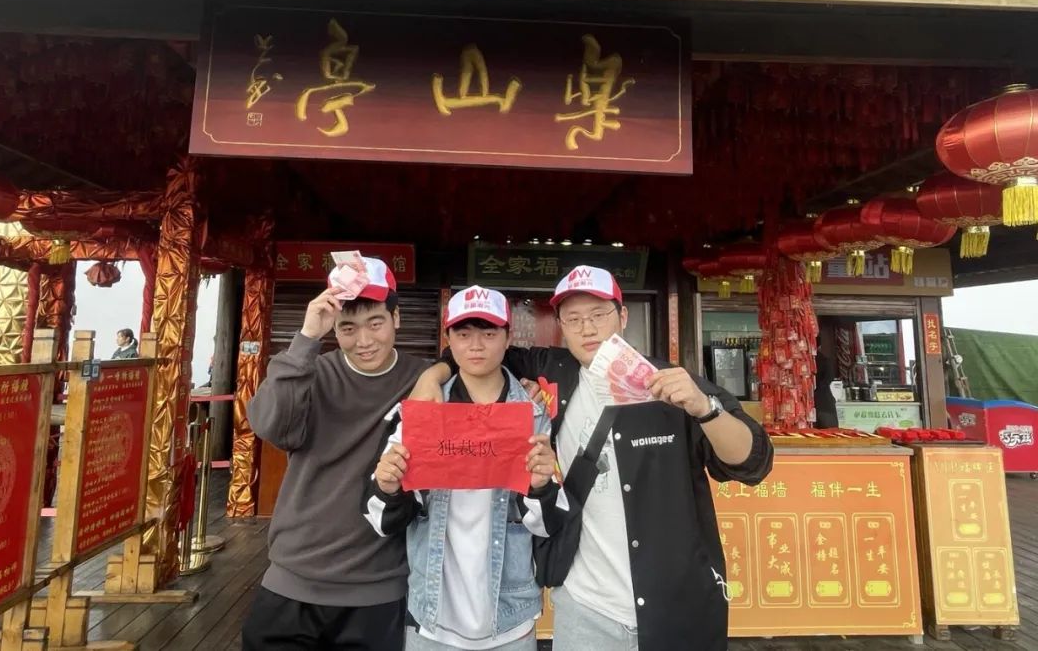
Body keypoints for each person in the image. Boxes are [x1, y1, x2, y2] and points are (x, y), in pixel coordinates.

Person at [413, 266, 774, 651]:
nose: (587, 328)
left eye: (599, 314)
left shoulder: (669, 382)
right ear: (560, 326)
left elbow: (753, 463)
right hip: (584, 608)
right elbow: (479, 350)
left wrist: (705, 408)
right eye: (573, 318)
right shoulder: (552, 371)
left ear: (623, 316)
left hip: (675, 602)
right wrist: (431, 377)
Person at [242, 257, 430, 651]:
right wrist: (307, 337)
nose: (364, 341)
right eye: (348, 328)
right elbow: (270, 425)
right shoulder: (310, 372)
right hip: (292, 581)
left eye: (375, 323)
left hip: (377, 589)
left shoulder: (422, 380)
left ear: (396, 318)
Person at [364, 286, 560, 651]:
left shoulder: (533, 416)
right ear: (449, 339)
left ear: (508, 339)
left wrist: (540, 487)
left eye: (489, 334)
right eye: (464, 334)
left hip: (511, 622)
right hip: (432, 622)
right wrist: (388, 488)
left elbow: (549, 526)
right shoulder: (421, 413)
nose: (476, 346)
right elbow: (381, 521)